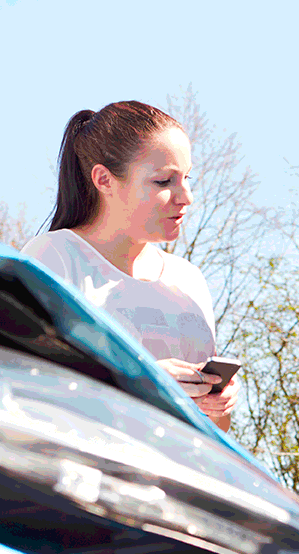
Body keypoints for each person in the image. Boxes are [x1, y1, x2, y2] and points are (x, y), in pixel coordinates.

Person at [23, 101, 237, 432]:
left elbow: (216, 429)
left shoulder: (188, 279)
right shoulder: (54, 257)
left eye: (187, 178)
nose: (186, 196)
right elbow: (29, 392)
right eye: (164, 181)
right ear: (104, 180)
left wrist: (218, 403)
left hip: (179, 476)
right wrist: (143, 380)